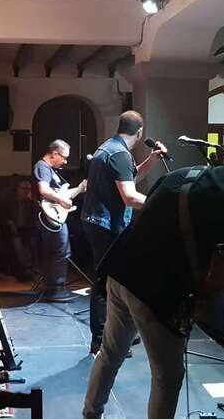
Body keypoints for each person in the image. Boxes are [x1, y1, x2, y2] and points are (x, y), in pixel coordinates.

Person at [82, 144, 224, 419]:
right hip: (152, 290)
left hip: (120, 271)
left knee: (110, 353)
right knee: (168, 377)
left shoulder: (185, 174)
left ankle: (90, 414)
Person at [81, 110, 168, 355]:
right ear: (140, 132)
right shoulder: (119, 153)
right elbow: (129, 197)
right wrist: (159, 203)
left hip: (98, 222)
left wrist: (152, 159)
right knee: (105, 282)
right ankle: (102, 340)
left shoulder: (110, 148)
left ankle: (119, 335)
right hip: (106, 225)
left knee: (115, 280)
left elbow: (128, 178)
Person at [34, 139, 87, 302]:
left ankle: (54, 287)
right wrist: (62, 200)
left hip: (55, 215)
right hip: (49, 216)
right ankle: (56, 288)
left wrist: (80, 189)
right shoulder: (42, 167)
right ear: (54, 154)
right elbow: (44, 190)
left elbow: (60, 193)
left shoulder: (51, 171)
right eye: (63, 157)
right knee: (61, 250)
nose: (65, 161)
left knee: (58, 250)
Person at [0, 179, 38, 282]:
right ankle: (23, 271)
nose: (26, 191)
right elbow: (3, 217)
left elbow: (35, 219)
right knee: (17, 244)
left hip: (27, 230)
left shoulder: (31, 203)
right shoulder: (9, 202)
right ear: (18, 189)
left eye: (29, 189)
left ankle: (29, 270)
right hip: (13, 230)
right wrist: (10, 224)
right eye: (24, 188)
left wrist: (33, 201)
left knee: (31, 242)